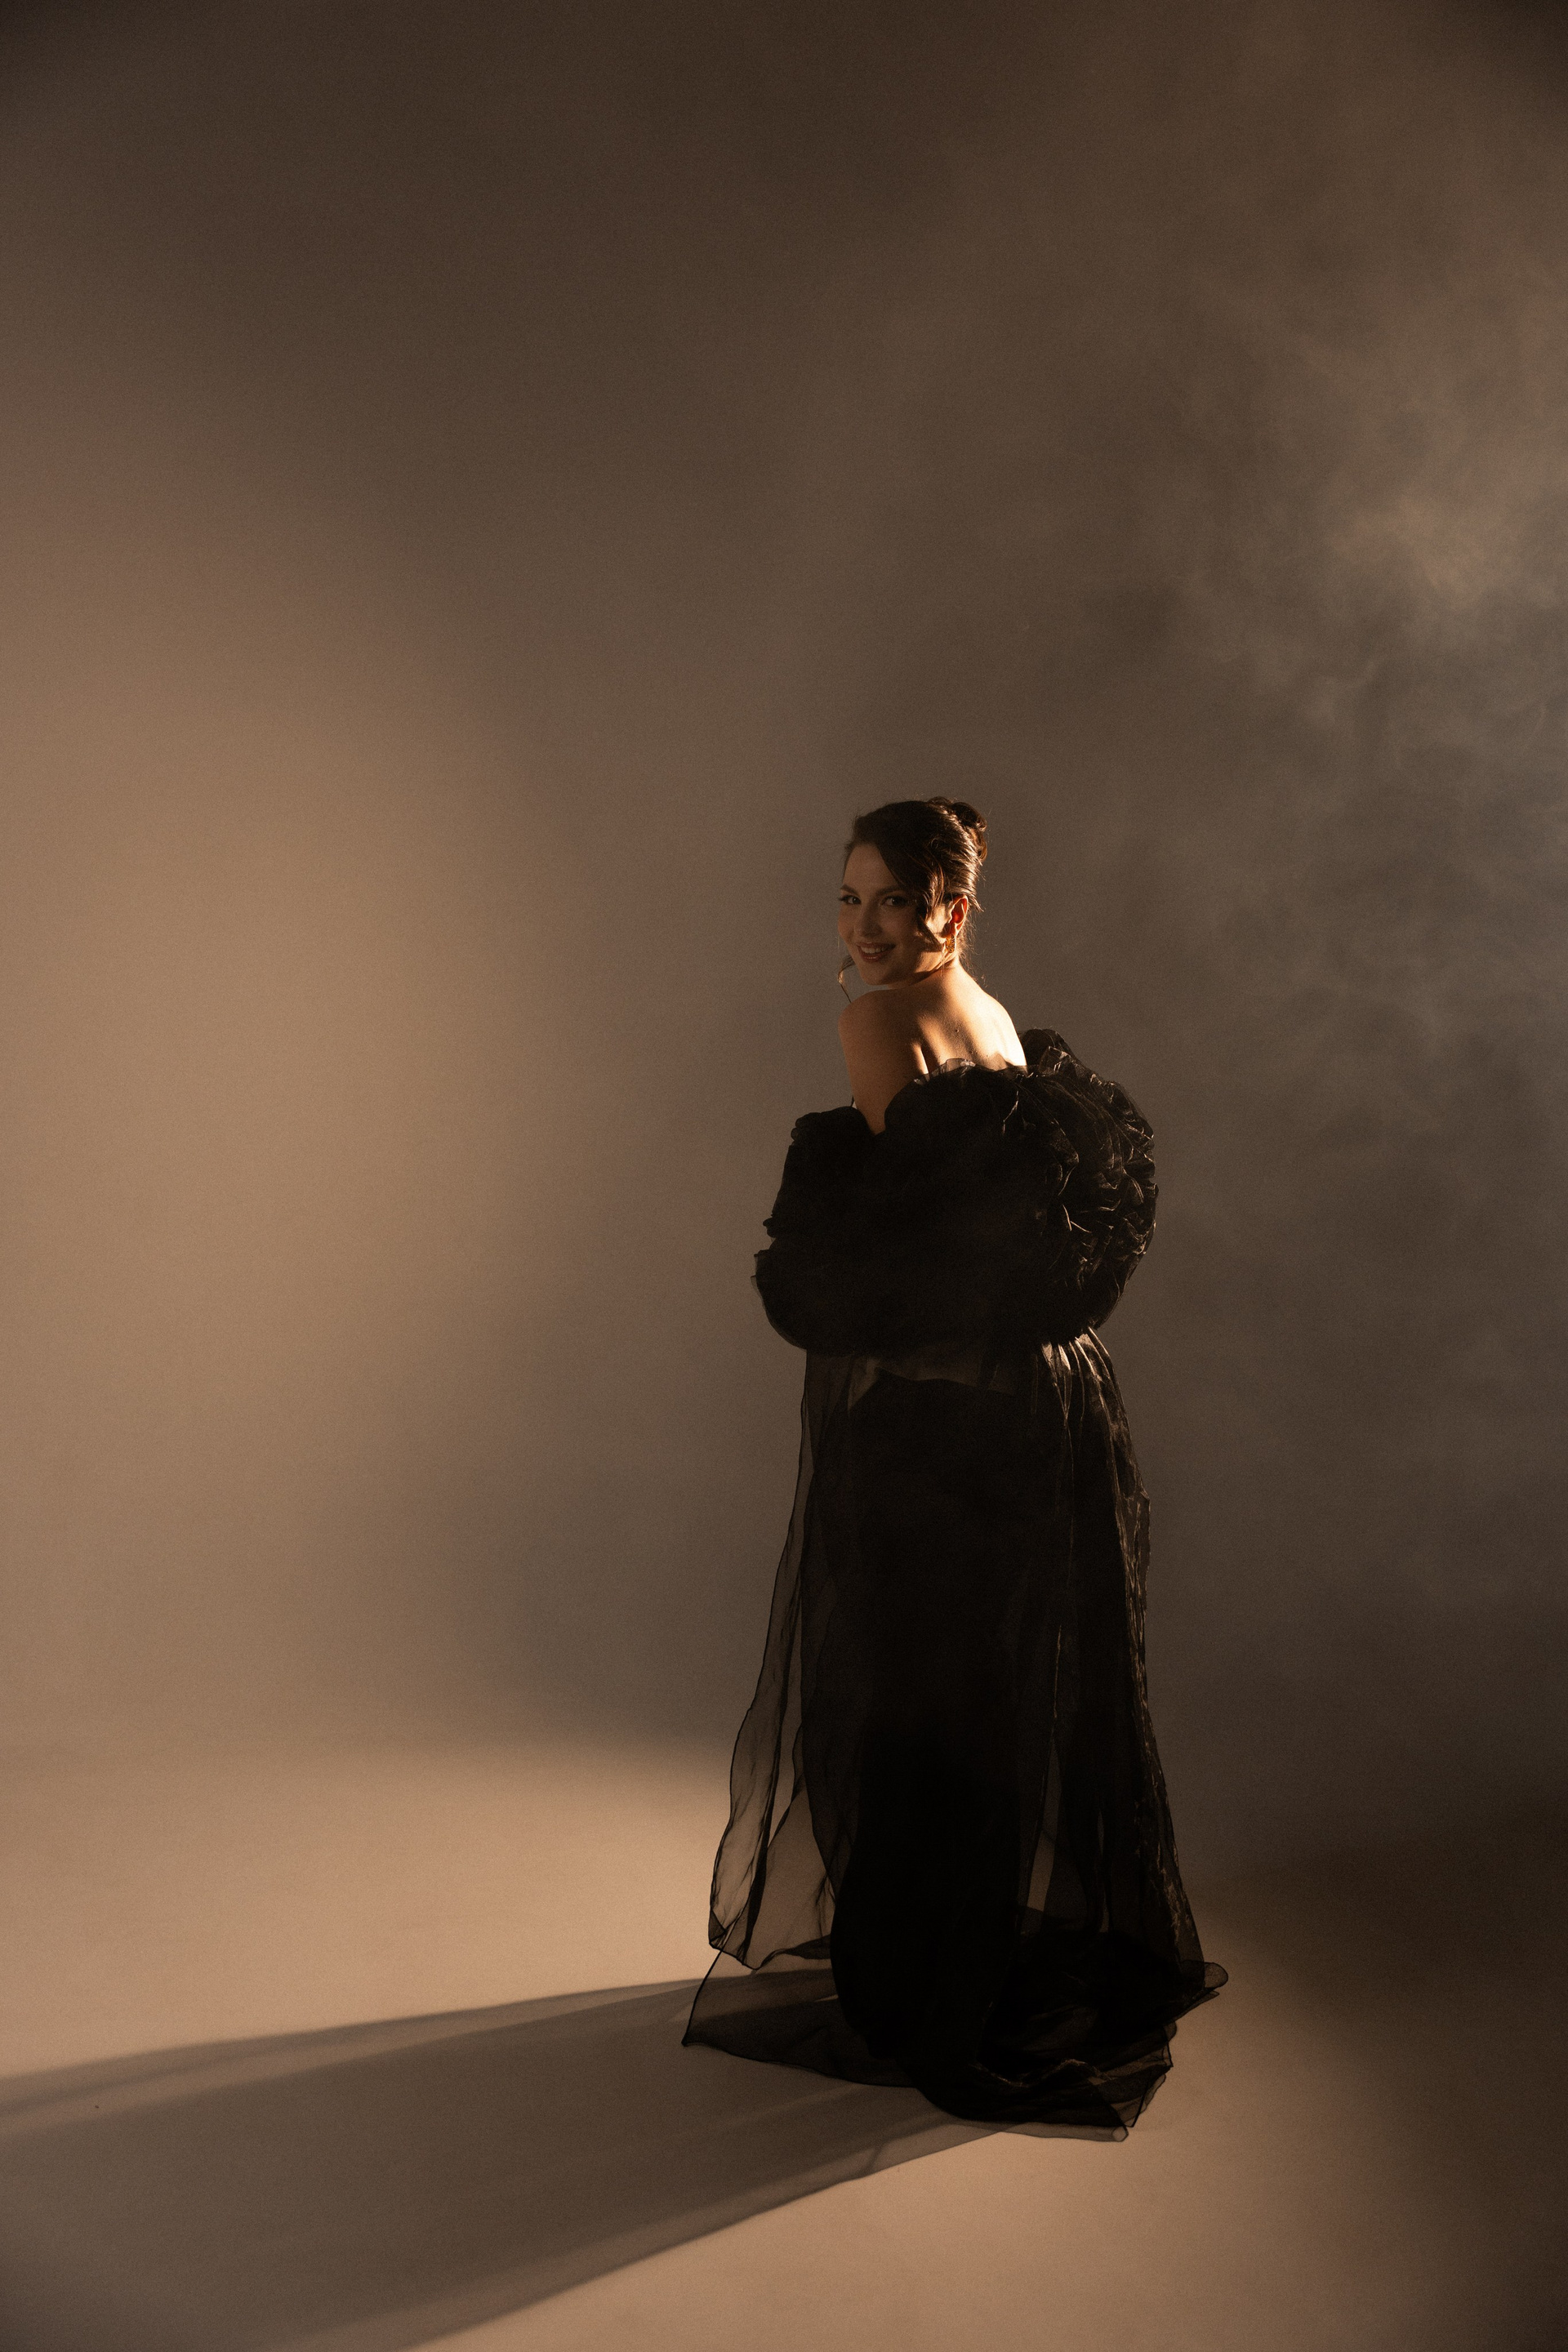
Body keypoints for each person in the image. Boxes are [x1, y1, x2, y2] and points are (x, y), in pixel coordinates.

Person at [683, 797, 1223, 2134]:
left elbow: (921, 1249)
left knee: (910, 1701)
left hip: (946, 1423)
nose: (865, 926)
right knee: (983, 1697)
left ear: (952, 909)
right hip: (1047, 1403)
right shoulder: (990, 1015)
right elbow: (1006, 1229)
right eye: (849, 898)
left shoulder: (878, 1024)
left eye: (893, 900)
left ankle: (922, 1990)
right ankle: (959, 1966)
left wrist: (817, 1217)